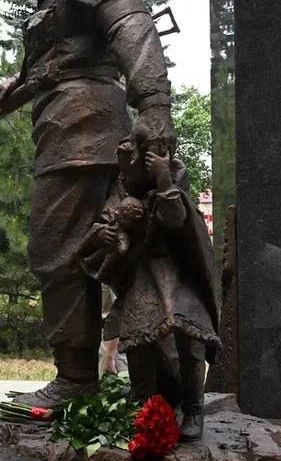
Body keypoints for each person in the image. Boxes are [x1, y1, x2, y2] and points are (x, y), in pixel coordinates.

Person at [0, 0, 176, 409]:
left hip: (85, 133)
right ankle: (130, 382)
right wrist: (16, 84)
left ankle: (78, 383)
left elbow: (130, 24)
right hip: (68, 127)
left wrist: (156, 107)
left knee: (60, 251)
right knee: (93, 253)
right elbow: (67, 54)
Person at [92, 137, 219, 440]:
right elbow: (106, 221)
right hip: (143, 272)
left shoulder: (173, 177)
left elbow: (175, 220)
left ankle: (193, 407)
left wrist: (163, 179)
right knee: (138, 338)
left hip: (179, 272)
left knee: (191, 335)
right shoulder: (121, 188)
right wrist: (107, 232)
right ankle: (144, 403)